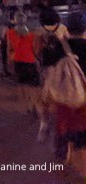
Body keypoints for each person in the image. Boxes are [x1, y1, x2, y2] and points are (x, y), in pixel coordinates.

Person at [53, 12, 86, 174]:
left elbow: (46, 66)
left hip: (64, 97)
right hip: (83, 99)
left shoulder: (59, 47)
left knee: (68, 128)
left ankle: (68, 150)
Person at [35, 7, 69, 142]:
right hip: (64, 66)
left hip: (49, 67)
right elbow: (69, 44)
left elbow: (37, 51)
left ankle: (44, 124)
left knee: (44, 99)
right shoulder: (62, 28)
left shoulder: (39, 31)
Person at [7, 13, 40, 116]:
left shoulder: (10, 33)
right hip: (30, 61)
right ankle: (35, 105)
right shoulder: (31, 34)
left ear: (15, 21)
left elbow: (9, 49)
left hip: (17, 61)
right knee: (33, 86)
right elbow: (35, 49)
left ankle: (28, 107)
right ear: (25, 21)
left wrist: (10, 61)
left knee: (23, 86)